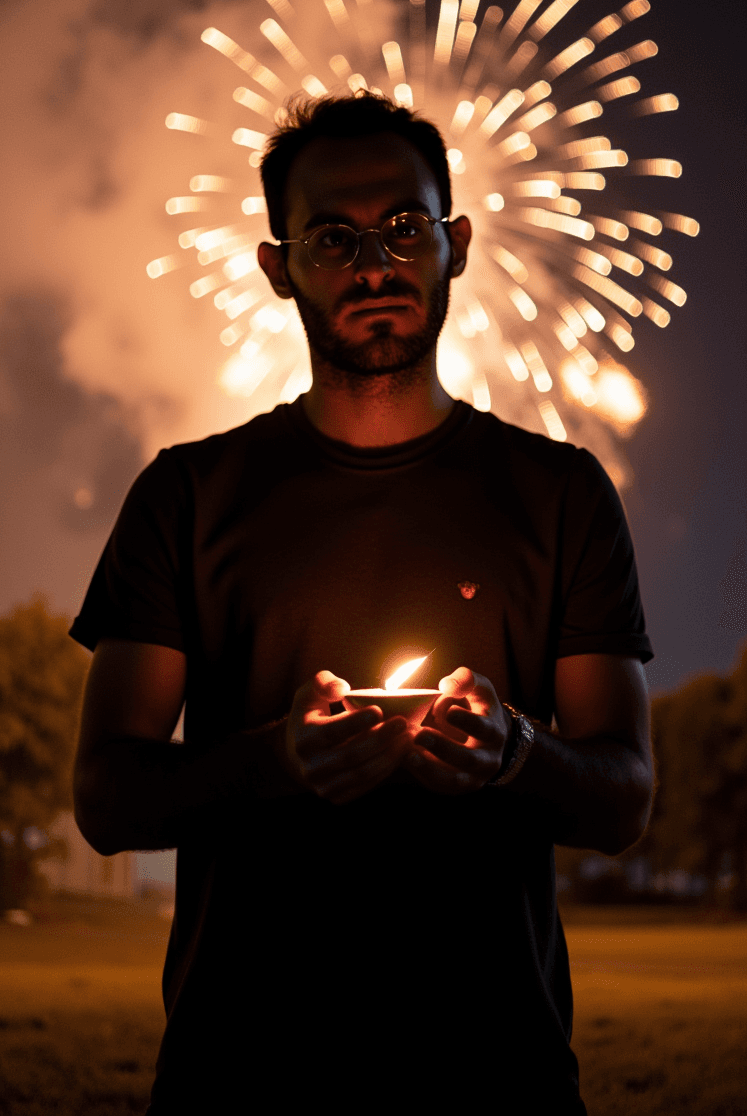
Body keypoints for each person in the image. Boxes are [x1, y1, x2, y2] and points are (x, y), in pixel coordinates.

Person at [71, 91, 654, 1113]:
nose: (376, 266)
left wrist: (514, 751)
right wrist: (275, 761)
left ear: (456, 244)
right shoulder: (187, 496)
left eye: (403, 228)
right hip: (239, 1075)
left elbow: (624, 797)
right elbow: (107, 799)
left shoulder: (562, 495)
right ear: (276, 266)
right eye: (333, 238)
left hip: (498, 1076)